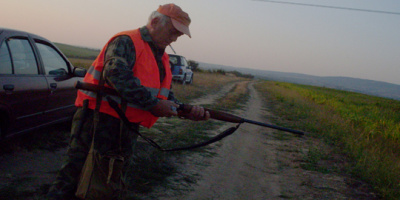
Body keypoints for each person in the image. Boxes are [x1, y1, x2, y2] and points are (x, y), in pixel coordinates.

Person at [47, 3, 209, 199]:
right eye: (173, 31)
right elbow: (116, 74)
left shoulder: (162, 57)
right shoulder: (127, 41)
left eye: (178, 35)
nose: (174, 38)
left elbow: (164, 94)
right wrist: (154, 105)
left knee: (110, 178)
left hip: (126, 127)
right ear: (155, 21)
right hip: (98, 120)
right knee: (73, 174)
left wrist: (185, 110)